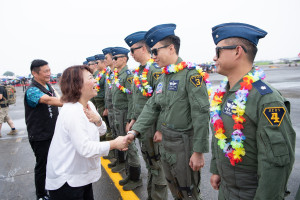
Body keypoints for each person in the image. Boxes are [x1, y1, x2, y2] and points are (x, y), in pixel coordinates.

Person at [209, 22, 296, 199]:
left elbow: (275, 163)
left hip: (251, 192)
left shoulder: (266, 99)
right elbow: (221, 135)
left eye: (218, 51)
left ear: (237, 51)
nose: (213, 58)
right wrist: (217, 170)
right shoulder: (225, 93)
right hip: (227, 188)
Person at [124, 23, 211, 200]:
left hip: (184, 146)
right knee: (174, 189)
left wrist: (199, 151)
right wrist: (135, 131)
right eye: (151, 52)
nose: (153, 56)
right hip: (166, 145)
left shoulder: (191, 75)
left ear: (171, 48)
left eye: (155, 51)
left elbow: (201, 114)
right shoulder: (164, 76)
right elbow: (153, 106)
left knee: (188, 192)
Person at [45, 65, 128, 200]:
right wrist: (114, 144)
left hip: (80, 176)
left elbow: (102, 131)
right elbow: (85, 148)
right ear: (77, 85)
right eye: (91, 78)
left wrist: (98, 120)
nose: (96, 81)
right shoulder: (72, 111)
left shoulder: (89, 105)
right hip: (68, 181)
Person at [124, 31, 168, 199]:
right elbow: (138, 100)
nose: (131, 55)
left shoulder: (154, 70)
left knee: (158, 166)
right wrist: (133, 120)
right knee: (151, 164)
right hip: (143, 125)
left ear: (143, 48)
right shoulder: (140, 71)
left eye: (133, 51)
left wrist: (160, 128)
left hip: (153, 127)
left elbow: (162, 103)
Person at [24, 59, 63, 200]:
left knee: (54, 162)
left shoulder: (48, 85)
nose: (49, 73)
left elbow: (56, 97)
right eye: (45, 71)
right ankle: (41, 194)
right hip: (40, 135)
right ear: (35, 73)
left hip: (52, 132)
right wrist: (73, 101)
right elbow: (49, 100)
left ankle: (53, 188)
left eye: (49, 70)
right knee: (43, 165)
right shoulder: (32, 90)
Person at [110, 47, 142, 190]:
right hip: (118, 112)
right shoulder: (118, 74)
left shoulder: (128, 75)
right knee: (122, 143)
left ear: (123, 59)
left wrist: (130, 119)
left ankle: (136, 178)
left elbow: (131, 98)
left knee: (129, 146)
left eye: (116, 58)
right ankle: (129, 174)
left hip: (125, 113)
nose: (113, 61)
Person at [102, 47, 116, 160]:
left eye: (106, 58)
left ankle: (134, 174)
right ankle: (119, 160)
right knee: (114, 133)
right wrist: (107, 107)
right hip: (111, 108)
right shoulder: (109, 73)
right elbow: (107, 93)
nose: (103, 60)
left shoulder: (123, 74)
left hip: (120, 110)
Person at [94, 54, 111, 140]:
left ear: (103, 63)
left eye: (97, 62)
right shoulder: (99, 74)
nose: (95, 64)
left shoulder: (106, 74)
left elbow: (106, 92)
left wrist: (106, 107)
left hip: (104, 104)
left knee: (107, 127)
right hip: (99, 104)